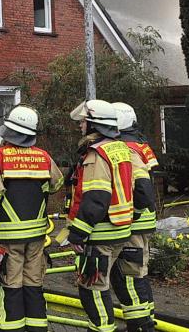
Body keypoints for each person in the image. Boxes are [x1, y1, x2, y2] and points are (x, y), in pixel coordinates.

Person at [0, 105, 64, 332]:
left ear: (8, 133)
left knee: (10, 286)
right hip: (36, 237)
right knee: (34, 284)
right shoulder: (43, 157)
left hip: (7, 239)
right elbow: (58, 184)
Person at [65, 99, 138, 332]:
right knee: (103, 285)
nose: (80, 126)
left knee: (92, 288)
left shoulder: (97, 154)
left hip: (101, 234)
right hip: (119, 229)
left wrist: (78, 234)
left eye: (84, 121)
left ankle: (102, 329)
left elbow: (96, 198)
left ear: (94, 125)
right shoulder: (120, 149)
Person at [110, 102, 159, 332]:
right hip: (144, 223)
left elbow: (141, 190)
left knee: (126, 276)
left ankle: (140, 326)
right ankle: (146, 321)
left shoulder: (125, 149)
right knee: (139, 275)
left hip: (132, 225)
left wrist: (131, 214)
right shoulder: (141, 144)